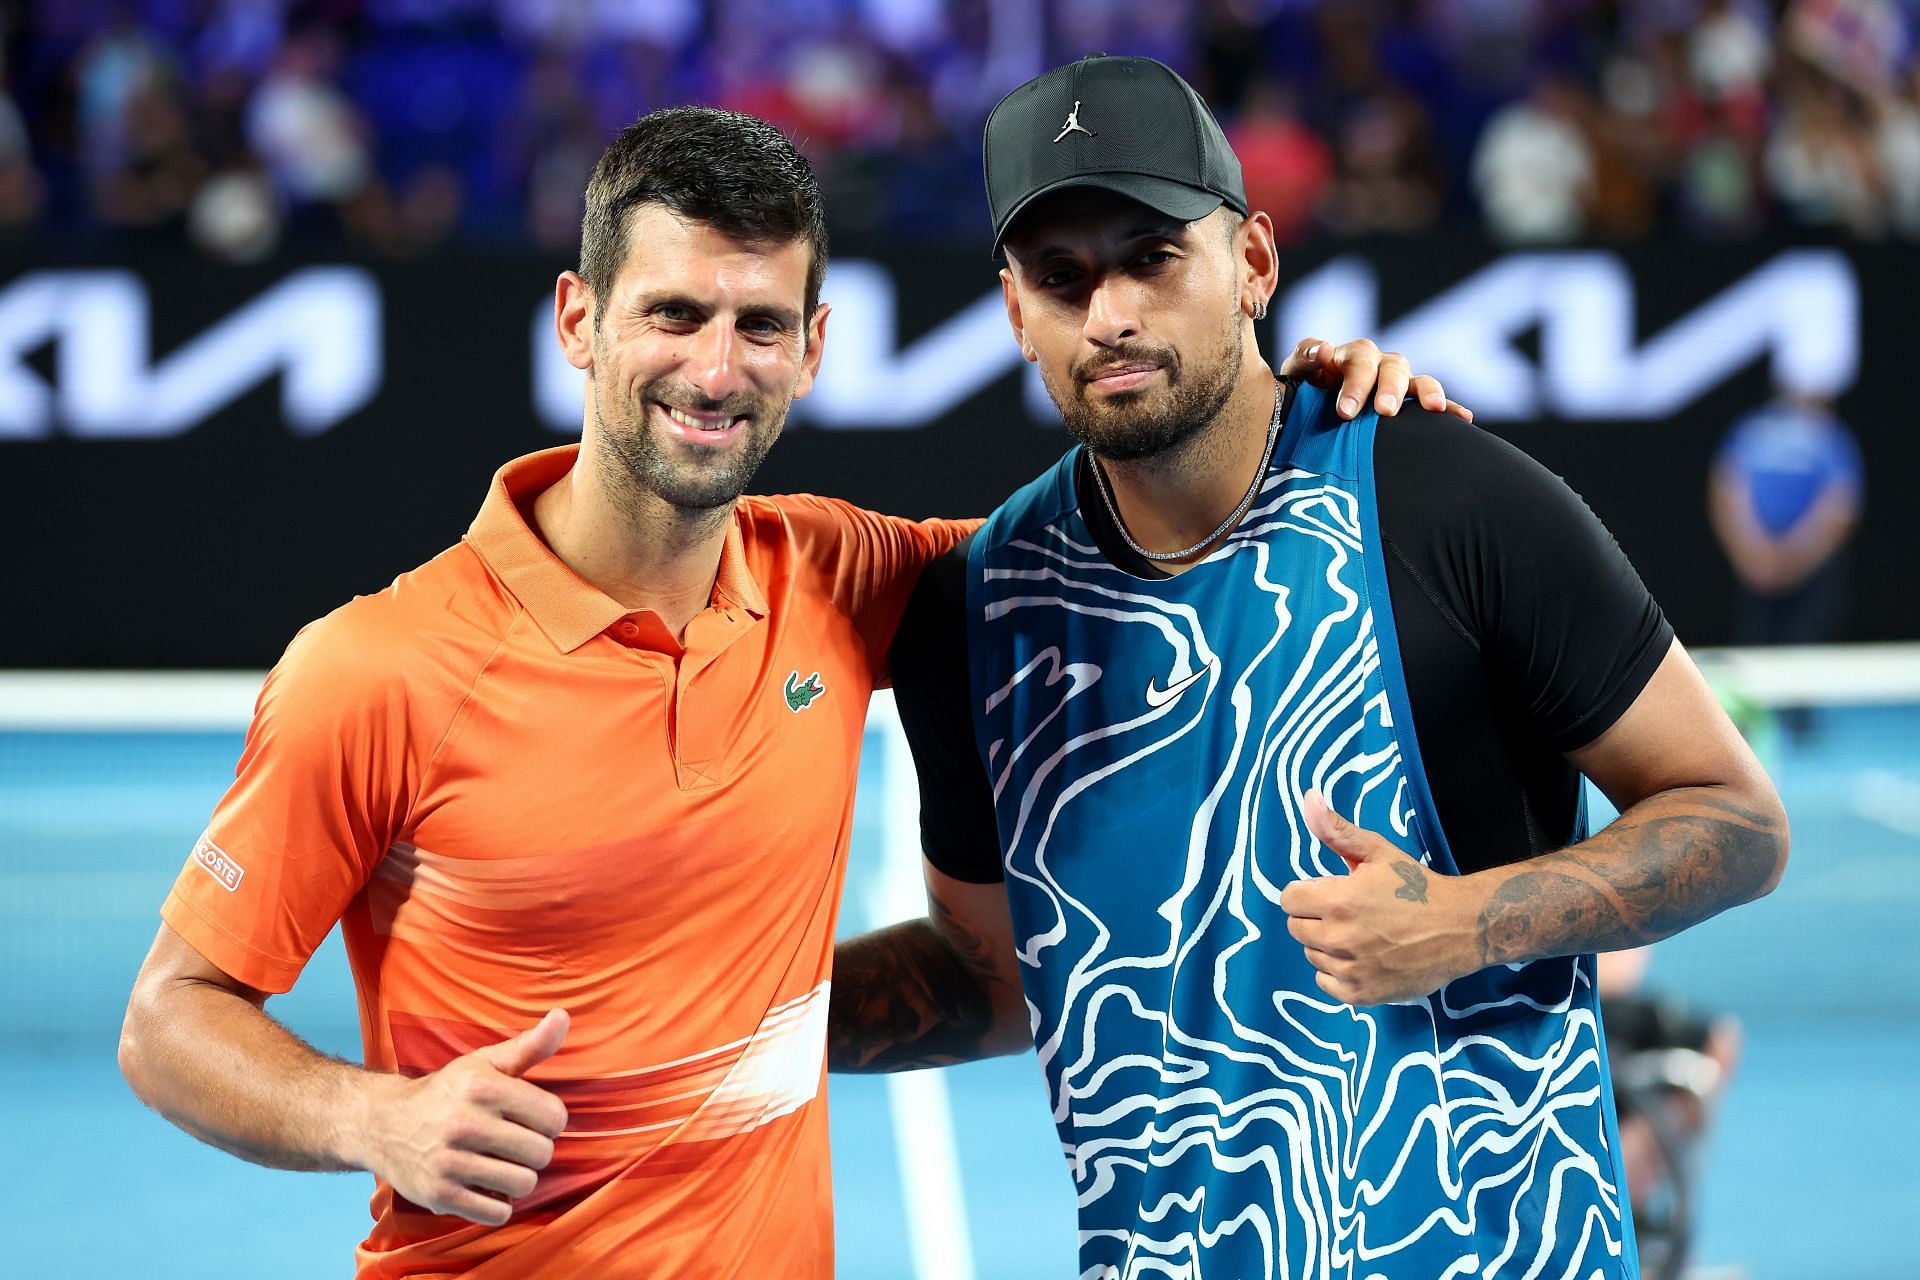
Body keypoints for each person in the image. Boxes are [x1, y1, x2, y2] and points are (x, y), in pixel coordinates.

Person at [117, 104, 1452, 1277]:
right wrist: (374, 1118)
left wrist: (1298, 418)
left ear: (814, 349)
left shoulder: (838, 574)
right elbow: (170, 1019)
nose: (717, 368)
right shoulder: (375, 670)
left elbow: (1138, 533)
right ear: (581, 321)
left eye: (761, 325)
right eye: (675, 314)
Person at [829, 56, 1790, 1279]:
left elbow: (1739, 819)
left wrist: (1462, 921)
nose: (1110, 312)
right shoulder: (981, 608)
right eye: (1060, 278)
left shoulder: (1444, 498)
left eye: (1150, 256)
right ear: (1015, 312)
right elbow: (995, 981)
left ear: (1255, 263)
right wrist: (699, 998)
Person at [1708, 388, 1864, 647]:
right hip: (1756, 571)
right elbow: (1728, 492)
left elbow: (1840, 507)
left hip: (1808, 575)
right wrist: (1755, 558)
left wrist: (1792, 558)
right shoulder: (1752, 431)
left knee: (1807, 653)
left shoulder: (1830, 436)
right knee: (1754, 650)